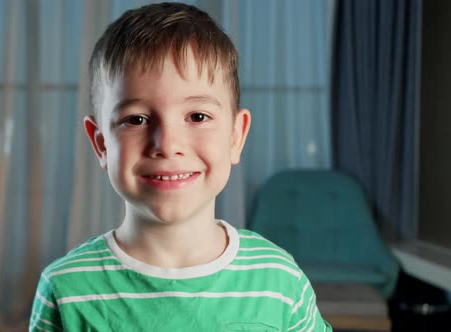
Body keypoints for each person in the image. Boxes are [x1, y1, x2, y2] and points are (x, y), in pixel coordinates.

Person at [30, 2, 331, 331]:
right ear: (102, 144)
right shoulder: (65, 289)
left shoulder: (279, 281)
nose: (168, 144)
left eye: (198, 116)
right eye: (137, 119)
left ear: (235, 136)